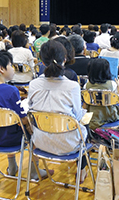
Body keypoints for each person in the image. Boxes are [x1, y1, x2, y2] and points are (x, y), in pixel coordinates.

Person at [0, 52, 49, 179]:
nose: (13, 69)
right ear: (2, 69)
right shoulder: (11, 91)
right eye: (10, 65)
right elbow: (23, 119)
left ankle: (12, 167)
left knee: (5, 123)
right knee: (34, 131)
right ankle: (34, 170)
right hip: (10, 139)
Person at [28, 40, 89, 182]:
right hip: (69, 144)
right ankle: (82, 169)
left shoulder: (34, 84)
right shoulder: (72, 86)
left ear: (42, 62)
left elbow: (30, 107)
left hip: (40, 141)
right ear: (65, 59)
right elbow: (78, 116)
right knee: (87, 119)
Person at [84, 58, 119, 129]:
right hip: (110, 117)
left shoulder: (87, 86)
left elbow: (85, 105)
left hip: (92, 118)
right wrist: (118, 86)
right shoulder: (112, 84)